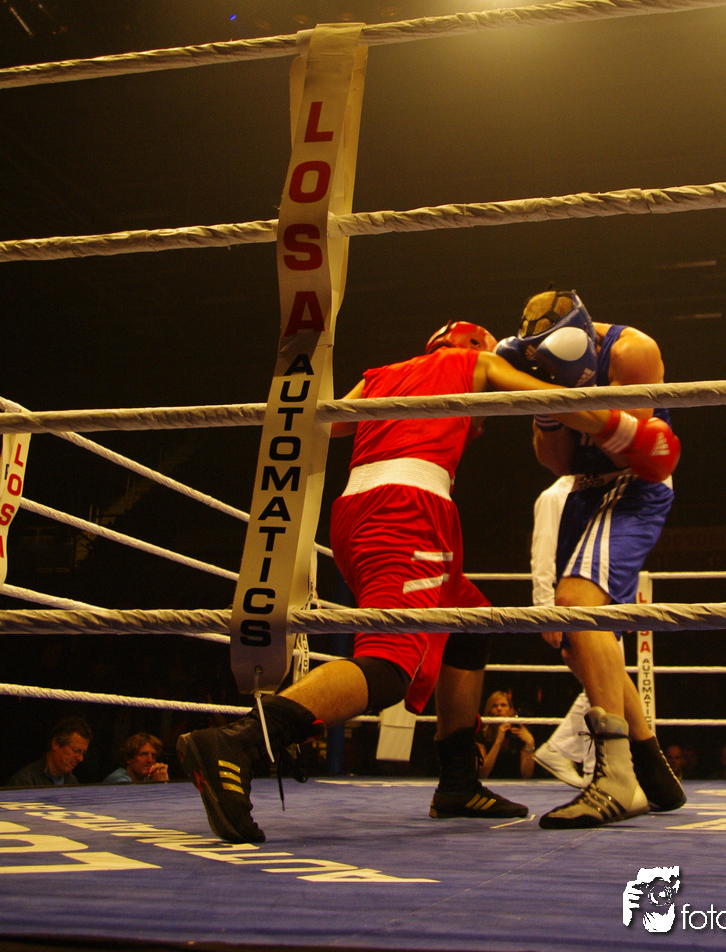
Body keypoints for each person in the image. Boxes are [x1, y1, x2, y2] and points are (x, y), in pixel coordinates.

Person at [179, 319, 635, 845]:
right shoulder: (473, 362)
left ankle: (458, 783)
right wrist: (629, 430)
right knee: (390, 663)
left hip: (358, 511)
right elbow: (552, 402)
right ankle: (240, 742)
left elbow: (325, 427)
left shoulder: (381, 375)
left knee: (468, 622)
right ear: (474, 345)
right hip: (406, 512)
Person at [498, 288, 685, 828]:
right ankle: (651, 770)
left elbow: (641, 449)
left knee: (578, 604)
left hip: (634, 484)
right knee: (577, 643)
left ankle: (616, 778)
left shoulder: (631, 351)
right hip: (582, 491)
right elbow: (558, 463)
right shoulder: (538, 363)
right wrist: (548, 409)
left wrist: (561, 397)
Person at [530, 475, 595, 790]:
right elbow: (542, 557)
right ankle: (585, 765)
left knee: (604, 686)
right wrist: (546, 612)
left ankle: (589, 767)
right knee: (602, 685)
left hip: (596, 599)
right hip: (570, 603)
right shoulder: (553, 496)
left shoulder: (595, 490)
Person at [6, 716, 92, 788]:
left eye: (83, 753)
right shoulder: (25, 782)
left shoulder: (72, 782)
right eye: (75, 751)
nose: (80, 759)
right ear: (56, 744)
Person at [477, 690, 536, 779]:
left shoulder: (521, 732)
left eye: (503, 705)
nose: (499, 708)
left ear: (511, 711)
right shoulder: (481, 733)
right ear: (489, 711)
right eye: (494, 706)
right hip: (488, 783)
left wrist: (530, 744)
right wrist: (498, 742)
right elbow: (482, 774)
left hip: (516, 784)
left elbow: (526, 775)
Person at [103, 732, 169, 784]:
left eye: (153, 755)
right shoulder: (119, 780)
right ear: (128, 758)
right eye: (144, 754)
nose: (150, 760)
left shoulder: (146, 778)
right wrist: (158, 785)